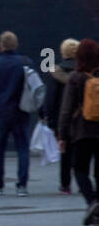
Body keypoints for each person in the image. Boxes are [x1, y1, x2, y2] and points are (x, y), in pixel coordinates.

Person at [0, 31, 33, 196]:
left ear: (1, 46)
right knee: (23, 148)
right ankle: (22, 185)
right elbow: (34, 88)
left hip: (0, 111)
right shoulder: (25, 62)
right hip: (21, 110)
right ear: (16, 45)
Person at [57, 38, 99, 226]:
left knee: (80, 169)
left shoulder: (76, 77)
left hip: (82, 130)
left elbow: (66, 109)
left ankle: (92, 202)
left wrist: (62, 134)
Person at [44, 38, 78, 195]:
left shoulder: (56, 73)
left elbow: (51, 99)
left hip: (62, 118)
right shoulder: (86, 73)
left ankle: (65, 185)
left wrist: (49, 119)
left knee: (65, 150)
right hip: (84, 119)